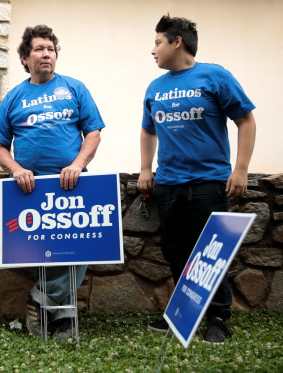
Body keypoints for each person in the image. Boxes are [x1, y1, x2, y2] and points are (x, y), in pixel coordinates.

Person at [138, 15, 256, 344]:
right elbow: (148, 130)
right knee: (174, 248)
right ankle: (185, 310)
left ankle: (218, 317)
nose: (153, 51)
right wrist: (146, 169)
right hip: (169, 183)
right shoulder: (155, 87)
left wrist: (241, 169)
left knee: (210, 252)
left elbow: (246, 121)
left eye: (158, 42)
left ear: (177, 42)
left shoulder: (215, 76)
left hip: (209, 183)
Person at [0, 25, 105, 341]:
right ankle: (62, 321)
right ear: (25, 58)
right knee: (46, 253)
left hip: (72, 186)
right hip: (31, 189)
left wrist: (78, 164)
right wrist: (15, 169)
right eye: (39, 49)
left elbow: (93, 133)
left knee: (79, 249)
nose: (46, 54)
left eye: (51, 49)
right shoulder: (14, 98)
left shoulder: (74, 88)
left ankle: (40, 297)